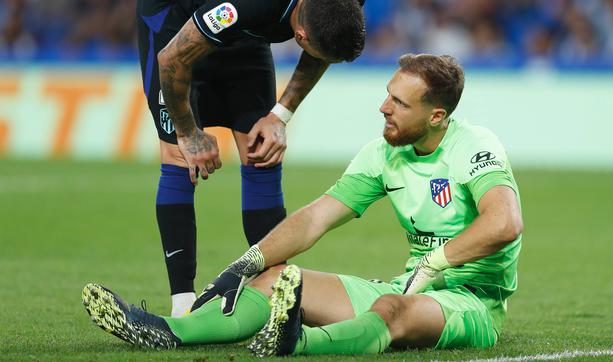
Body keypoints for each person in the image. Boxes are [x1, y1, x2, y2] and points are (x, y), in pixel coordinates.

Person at [83, 54, 523, 355]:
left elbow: (504, 224)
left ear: (436, 117)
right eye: (388, 94)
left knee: (391, 311)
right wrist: (246, 264)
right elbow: (315, 218)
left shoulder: (473, 146)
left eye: (399, 102)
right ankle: (166, 330)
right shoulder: (383, 152)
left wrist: (434, 263)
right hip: (409, 282)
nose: (383, 107)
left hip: (471, 301)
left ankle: (296, 342)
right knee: (273, 279)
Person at [136, 0, 366, 316]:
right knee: (178, 156)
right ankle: (182, 305)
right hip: (175, 12)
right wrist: (190, 133)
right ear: (299, 36)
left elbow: (320, 51)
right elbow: (171, 59)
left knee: (263, 152)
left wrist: (281, 115)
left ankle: (276, 296)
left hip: (246, 24)